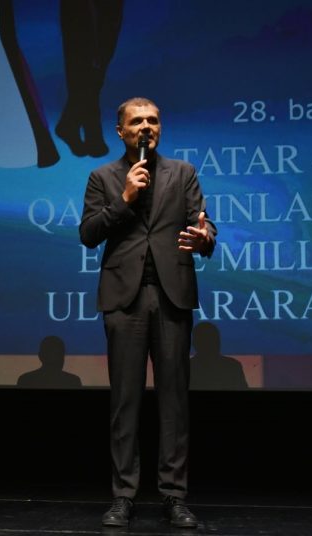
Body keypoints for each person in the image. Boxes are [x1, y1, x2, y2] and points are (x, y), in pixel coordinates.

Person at [79, 97, 216, 529]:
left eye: (153, 121)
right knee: (126, 401)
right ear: (120, 131)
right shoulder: (103, 177)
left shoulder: (183, 173)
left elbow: (204, 224)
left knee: (174, 401)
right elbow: (88, 234)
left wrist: (205, 238)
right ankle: (124, 495)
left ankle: (174, 495)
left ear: (161, 128)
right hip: (125, 299)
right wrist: (124, 198)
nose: (146, 127)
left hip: (172, 295)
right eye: (136, 121)